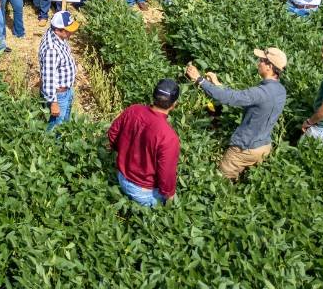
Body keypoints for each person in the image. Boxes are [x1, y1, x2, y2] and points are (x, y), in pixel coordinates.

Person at [185, 47, 287, 180]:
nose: (258, 62)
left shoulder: (260, 92)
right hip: (264, 147)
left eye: (261, 60)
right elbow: (241, 97)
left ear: (269, 66)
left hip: (244, 149)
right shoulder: (280, 90)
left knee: (220, 182)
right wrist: (217, 84)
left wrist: (200, 80)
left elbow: (230, 98)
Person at [107, 78, 181, 207]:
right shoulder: (169, 137)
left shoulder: (133, 110)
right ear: (174, 104)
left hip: (121, 176)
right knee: (176, 203)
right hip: (143, 192)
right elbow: (166, 174)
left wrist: (124, 152)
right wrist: (170, 195)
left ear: (153, 96)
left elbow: (113, 133)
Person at [38, 10, 79, 129]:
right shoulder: (52, 50)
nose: (72, 32)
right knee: (55, 127)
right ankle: (52, 147)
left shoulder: (58, 36)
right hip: (59, 95)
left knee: (64, 126)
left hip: (66, 90)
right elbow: (48, 78)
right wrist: (53, 102)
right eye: (68, 30)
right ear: (57, 30)